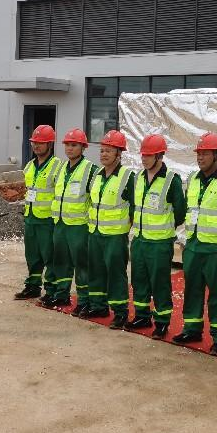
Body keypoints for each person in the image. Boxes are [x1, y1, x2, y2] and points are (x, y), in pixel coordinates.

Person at [173, 132, 217, 356]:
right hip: (193, 246)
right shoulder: (193, 180)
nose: (200, 157)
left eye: (205, 153)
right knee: (192, 290)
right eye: (199, 153)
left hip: (216, 250)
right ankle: (192, 329)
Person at [126, 133, 186, 339]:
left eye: (148, 155)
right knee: (139, 280)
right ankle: (142, 316)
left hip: (160, 242)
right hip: (140, 240)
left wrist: (165, 228)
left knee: (160, 283)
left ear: (159, 156)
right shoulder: (138, 178)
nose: (144, 159)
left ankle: (161, 322)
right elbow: (133, 207)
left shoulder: (171, 181)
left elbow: (180, 212)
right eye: (142, 155)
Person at [87, 129, 135, 329]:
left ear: (119, 154)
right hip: (95, 232)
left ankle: (120, 312)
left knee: (116, 273)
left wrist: (126, 226)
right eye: (102, 150)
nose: (104, 154)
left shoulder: (128, 176)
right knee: (96, 270)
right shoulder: (97, 175)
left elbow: (134, 207)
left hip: (115, 235)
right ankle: (98, 306)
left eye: (109, 151)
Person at [47, 128, 95, 310]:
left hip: (79, 226)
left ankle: (84, 301)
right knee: (60, 261)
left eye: (74, 145)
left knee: (82, 264)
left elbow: (95, 198)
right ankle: (62, 295)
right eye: (67, 145)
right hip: (60, 224)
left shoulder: (90, 170)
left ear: (83, 147)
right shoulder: (61, 169)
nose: (69, 148)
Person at [14, 125, 61, 301]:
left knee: (50, 256)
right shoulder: (29, 166)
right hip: (31, 217)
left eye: (40, 143)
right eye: (34, 142)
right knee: (32, 255)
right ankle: (32, 286)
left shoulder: (57, 166)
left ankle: (51, 289)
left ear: (50, 144)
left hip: (47, 219)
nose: (36, 146)